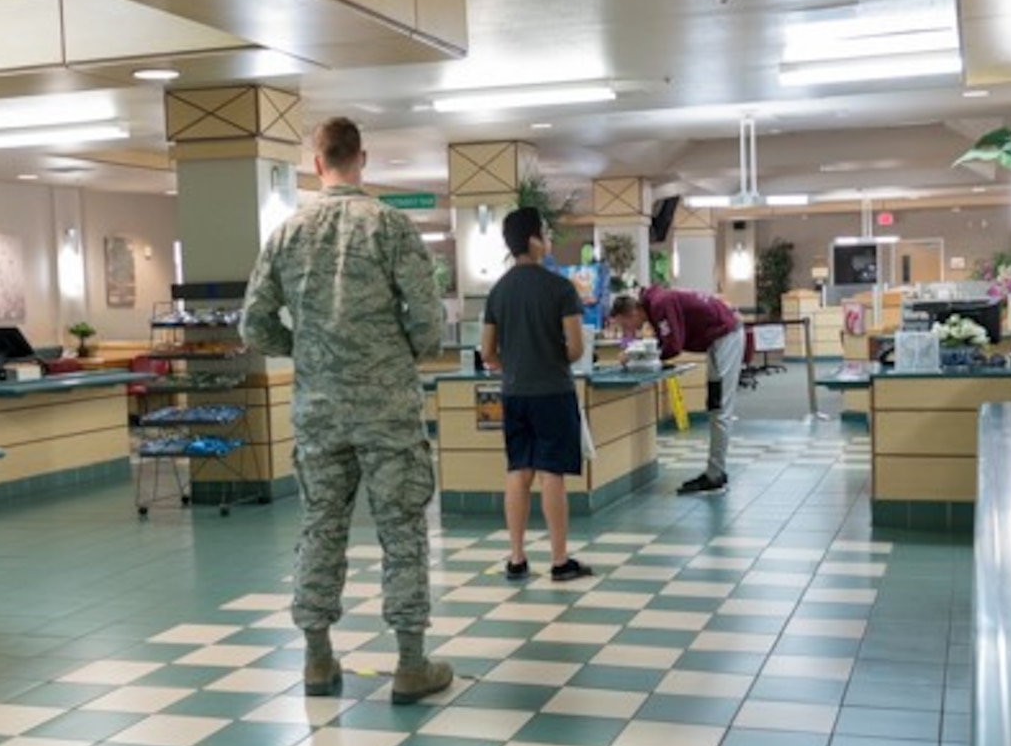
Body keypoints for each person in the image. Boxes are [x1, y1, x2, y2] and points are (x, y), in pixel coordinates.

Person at [242, 117, 454, 704]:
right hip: (387, 407)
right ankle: (411, 664)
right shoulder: (389, 226)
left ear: (316, 162)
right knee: (403, 529)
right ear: (363, 158)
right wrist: (398, 355)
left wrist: (307, 351)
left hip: (319, 411)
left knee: (321, 526)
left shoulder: (287, 233)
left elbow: (254, 323)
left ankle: (317, 659)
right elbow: (428, 322)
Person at [479, 207, 591, 581]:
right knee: (551, 474)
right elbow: (575, 349)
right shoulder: (559, 288)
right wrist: (548, 354)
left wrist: (512, 363)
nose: (548, 240)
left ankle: (516, 558)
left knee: (518, 472)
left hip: (514, 393)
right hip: (553, 391)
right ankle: (559, 561)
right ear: (532, 239)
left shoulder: (498, 291)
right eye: (544, 233)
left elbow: (487, 353)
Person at [610, 284, 748, 493]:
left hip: (726, 336)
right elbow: (669, 340)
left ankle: (715, 475)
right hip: (720, 338)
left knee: (720, 409)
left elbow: (673, 345)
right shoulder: (656, 303)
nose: (629, 331)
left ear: (632, 313)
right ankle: (715, 471)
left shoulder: (659, 304)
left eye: (625, 325)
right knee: (714, 406)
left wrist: (635, 356)